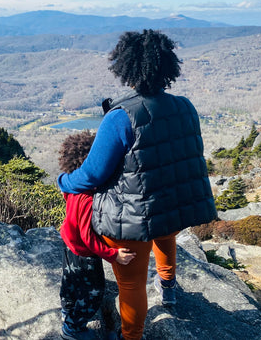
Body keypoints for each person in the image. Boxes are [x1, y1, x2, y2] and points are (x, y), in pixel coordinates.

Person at [57, 30, 217, 340]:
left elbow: (92, 174)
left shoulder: (121, 117)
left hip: (132, 215)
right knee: (165, 234)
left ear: (127, 68)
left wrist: (65, 182)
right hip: (173, 204)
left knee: (131, 283)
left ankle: (132, 335)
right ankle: (168, 288)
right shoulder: (185, 106)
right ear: (167, 67)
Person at [58, 131, 136, 340]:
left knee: (70, 282)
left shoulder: (73, 186)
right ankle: (73, 328)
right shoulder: (88, 198)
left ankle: (67, 310)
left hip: (69, 245)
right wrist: (113, 255)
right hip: (84, 253)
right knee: (93, 292)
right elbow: (87, 237)